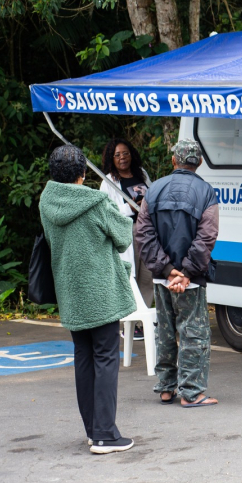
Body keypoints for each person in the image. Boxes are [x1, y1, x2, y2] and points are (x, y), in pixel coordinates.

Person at [38, 145, 136, 454]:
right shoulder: (97, 201)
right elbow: (123, 237)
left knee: (83, 356)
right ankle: (106, 434)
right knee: (106, 358)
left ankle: (94, 431)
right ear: (82, 174)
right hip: (101, 292)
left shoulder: (46, 202)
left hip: (70, 290)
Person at [135, 139, 219, 407]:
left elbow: (143, 234)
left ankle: (166, 387)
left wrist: (168, 270)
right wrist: (185, 273)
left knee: (165, 330)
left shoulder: (154, 189)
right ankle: (192, 393)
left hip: (162, 277)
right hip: (190, 281)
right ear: (200, 162)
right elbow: (206, 237)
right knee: (194, 331)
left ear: (174, 161)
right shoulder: (206, 192)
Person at [99, 138, 153, 341]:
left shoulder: (142, 174)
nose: (122, 158)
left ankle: (142, 322)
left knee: (147, 276)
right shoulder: (108, 181)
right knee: (130, 276)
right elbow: (104, 211)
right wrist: (127, 208)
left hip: (148, 230)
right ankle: (128, 322)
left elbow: (153, 194)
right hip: (126, 230)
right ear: (111, 158)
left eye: (126, 153)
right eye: (118, 155)